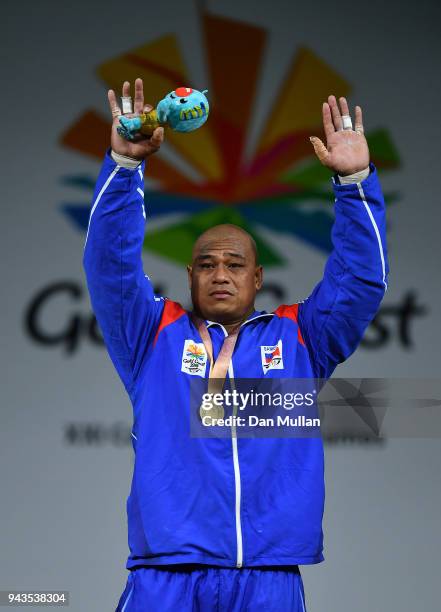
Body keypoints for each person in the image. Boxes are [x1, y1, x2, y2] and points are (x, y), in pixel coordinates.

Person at [83, 78, 388, 611]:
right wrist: (125, 166)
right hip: (166, 577)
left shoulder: (301, 340)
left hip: (268, 580)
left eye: (234, 264)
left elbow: (359, 281)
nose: (219, 274)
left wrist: (355, 182)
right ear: (189, 275)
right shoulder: (150, 336)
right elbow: (109, 267)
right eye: (206, 264)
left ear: (258, 278)